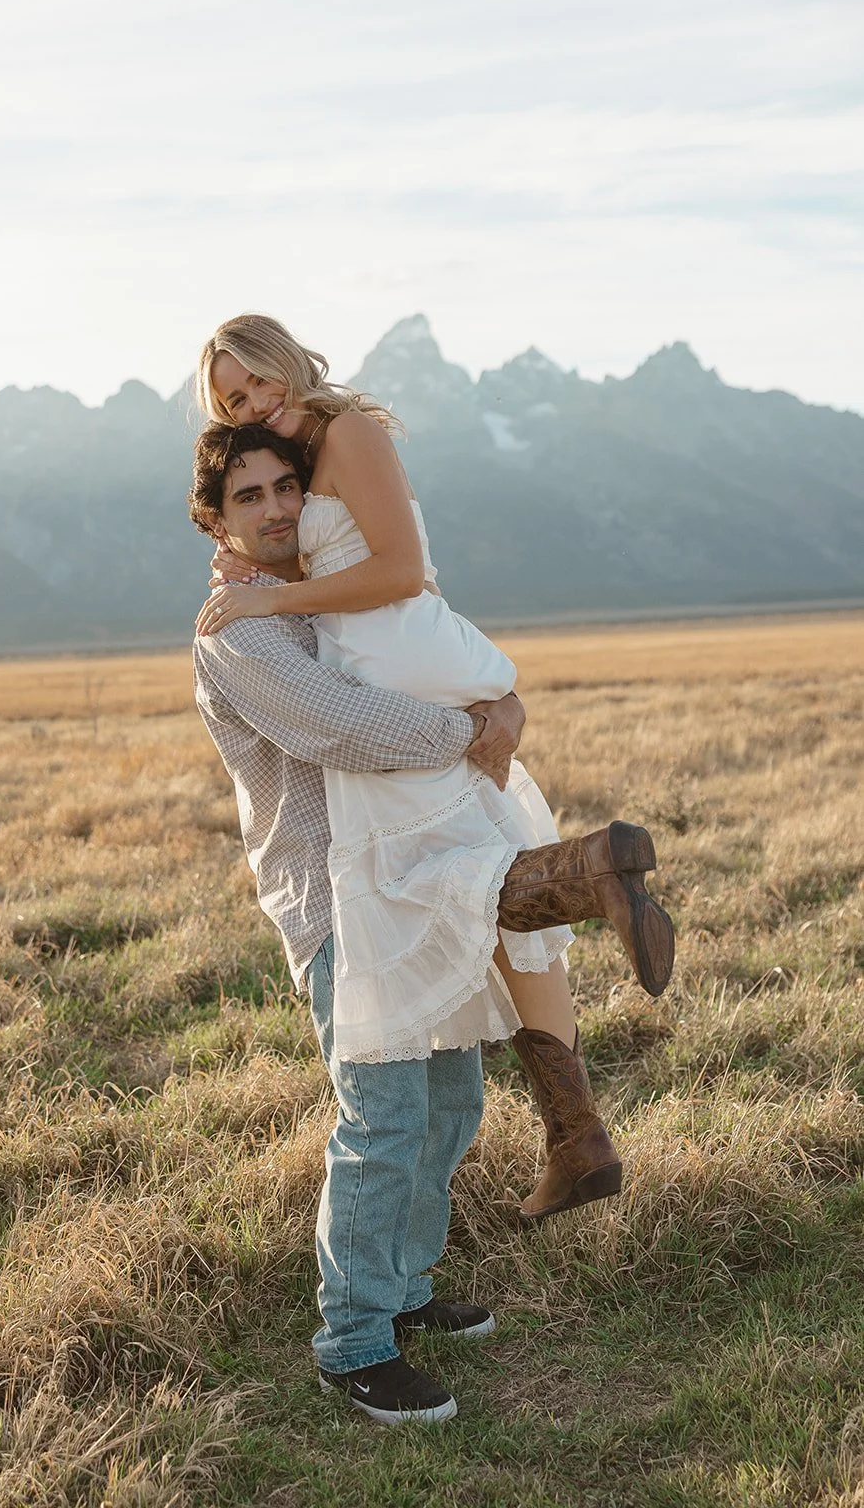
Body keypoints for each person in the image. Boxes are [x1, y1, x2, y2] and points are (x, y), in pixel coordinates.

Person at [188, 418, 674, 1426]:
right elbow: (344, 725)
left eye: (288, 486)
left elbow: (395, 650)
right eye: (249, 496)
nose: (276, 508)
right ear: (212, 517)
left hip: (404, 875)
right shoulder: (241, 629)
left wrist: (500, 705)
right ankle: (353, 1339)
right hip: (334, 899)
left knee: (450, 1094)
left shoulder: (313, 597)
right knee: (381, 1118)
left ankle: (404, 1287)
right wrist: (474, 727)